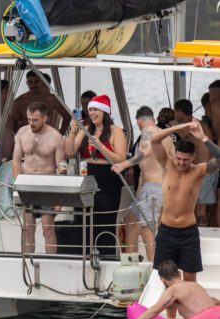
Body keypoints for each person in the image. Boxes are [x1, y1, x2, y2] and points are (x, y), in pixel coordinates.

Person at [150, 120, 220, 281]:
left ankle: (188, 306)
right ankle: (170, 307)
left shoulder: (199, 171)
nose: (181, 163)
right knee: (166, 279)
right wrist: (178, 127)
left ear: (193, 157)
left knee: (189, 279)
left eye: (185, 160)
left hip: (188, 233)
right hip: (166, 231)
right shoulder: (167, 164)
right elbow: (154, 140)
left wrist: (203, 138)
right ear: (174, 154)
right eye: (179, 158)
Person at [66, 95, 127, 256]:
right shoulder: (87, 129)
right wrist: (73, 131)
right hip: (87, 178)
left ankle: (106, 256)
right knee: (84, 221)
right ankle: (83, 256)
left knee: (104, 222)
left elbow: (121, 159)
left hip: (108, 180)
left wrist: (101, 148)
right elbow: (70, 152)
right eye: (90, 110)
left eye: (95, 110)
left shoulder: (116, 131)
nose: (91, 113)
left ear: (104, 112)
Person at [112, 106, 173, 260]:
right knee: (130, 219)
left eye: (138, 125)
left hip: (152, 189)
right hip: (162, 188)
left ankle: (154, 265)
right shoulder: (167, 137)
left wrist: (123, 165)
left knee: (148, 233)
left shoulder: (148, 131)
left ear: (140, 122)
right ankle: (131, 259)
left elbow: (144, 153)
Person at [13, 102, 66, 253]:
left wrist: (59, 196)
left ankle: (51, 262)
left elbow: (61, 168)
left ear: (45, 118)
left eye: (35, 120)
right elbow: (16, 161)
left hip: (47, 186)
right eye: (29, 119)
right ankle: (28, 263)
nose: (31, 123)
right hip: (27, 184)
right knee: (28, 229)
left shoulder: (56, 137)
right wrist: (17, 185)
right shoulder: (22, 133)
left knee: (47, 229)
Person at [126, 260, 217, 319]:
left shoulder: (173, 290)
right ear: (179, 273)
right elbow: (214, 301)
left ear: (163, 280)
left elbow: (154, 311)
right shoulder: (195, 285)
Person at [174, 99, 218, 226]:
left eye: (175, 112)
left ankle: (200, 232)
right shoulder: (198, 124)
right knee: (200, 207)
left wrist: (171, 125)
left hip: (205, 171)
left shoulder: (190, 126)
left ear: (179, 112)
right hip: (209, 170)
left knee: (199, 209)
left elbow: (174, 133)